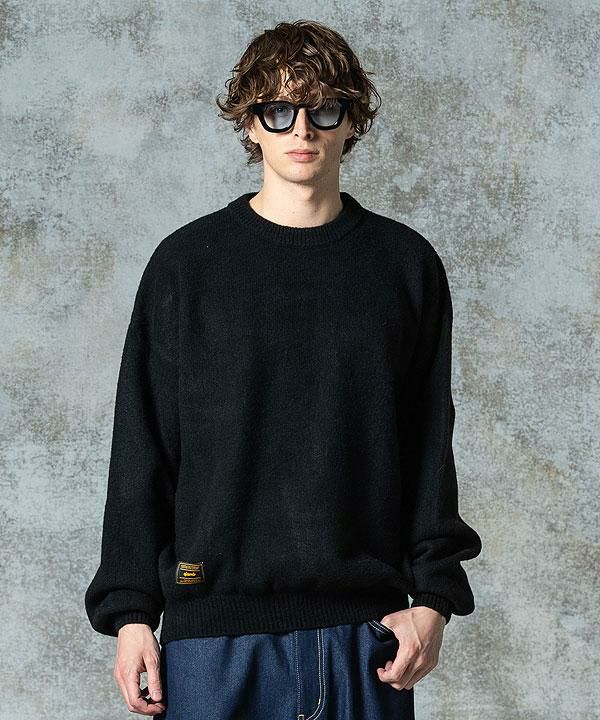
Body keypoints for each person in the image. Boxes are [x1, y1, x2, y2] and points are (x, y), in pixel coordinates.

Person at [84, 19, 482, 720]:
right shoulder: (187, 267)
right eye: (278, 110)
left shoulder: (403, 267)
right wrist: (131, 611)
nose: (302, 128)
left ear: (351, 121)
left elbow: (427, 446)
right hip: (214, 643)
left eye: (324, 109)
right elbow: (143, 446)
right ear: (250, 123)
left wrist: (434, 601)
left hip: (366, 639)